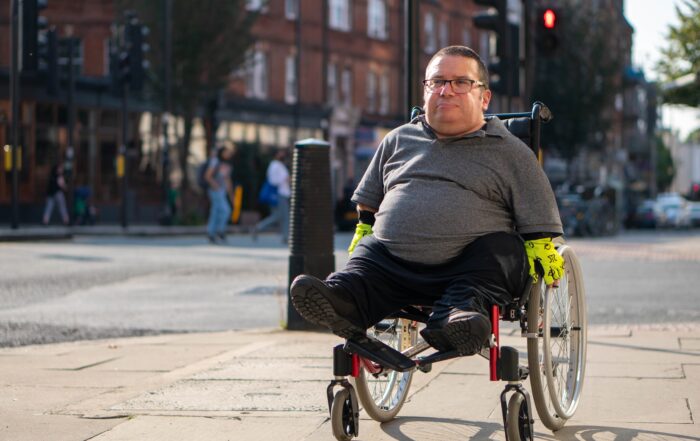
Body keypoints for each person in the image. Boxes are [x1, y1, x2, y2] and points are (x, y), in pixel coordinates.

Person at [290, 45, 565, 355]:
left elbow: (538, 211)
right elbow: (369, 202)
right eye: (437, 82)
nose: (446, 91)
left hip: (469, 271)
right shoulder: (398, 139)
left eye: (460, 82)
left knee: (501, 248)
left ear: (484, 98)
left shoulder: (510, 150)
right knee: (367, 256)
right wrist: (365, 229)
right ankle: (342, 300)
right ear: (425, 93)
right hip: (392, 267)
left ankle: (455, 320)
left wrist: (542, 247)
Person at [252, 149, 291, 244]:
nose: (282, 154)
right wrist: (285, 179)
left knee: (280, 216)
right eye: (280, 152)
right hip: (278, 194)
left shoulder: (281, 165)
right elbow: (273, 180)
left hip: (284, 193)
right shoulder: (274, 165)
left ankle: (259, 228)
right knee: (283, 216)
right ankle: (284, 237)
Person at [205, 143, 235, 244]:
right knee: (225, 210)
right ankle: (219, 231)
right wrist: (216, 186)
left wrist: (231, 195)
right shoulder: (216, 162)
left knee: (216, 212)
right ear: (222, 152)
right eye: (227, 152)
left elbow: (228, 180)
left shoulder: (227, 164)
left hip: (222, 191)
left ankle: (211, 233)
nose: (229, 154)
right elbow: (208, 176)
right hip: (215, 191)